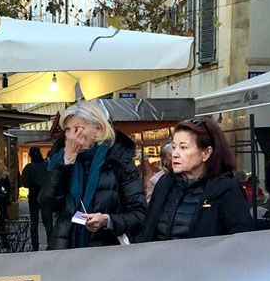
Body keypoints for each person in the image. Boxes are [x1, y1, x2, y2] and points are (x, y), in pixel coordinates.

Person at [39, 101, 146, 249]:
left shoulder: (119, 161)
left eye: (77, 129)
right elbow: (48, 203)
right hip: (65, 247)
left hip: (105, 249)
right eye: (68, 130)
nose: (71, 136)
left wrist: (107, 220)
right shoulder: (60, 159)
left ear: (98, 130)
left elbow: (139, 214)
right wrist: (66, 162)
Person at [135, 117, 253, 242]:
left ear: (206, 153)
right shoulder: (165, 184)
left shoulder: (226, 190)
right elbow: (147, 230)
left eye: (183, 147)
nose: (174, 154)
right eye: (174, 147)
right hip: (162, 260)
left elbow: (240, 242)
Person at [19, 147, 52, 251]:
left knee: (34, 221)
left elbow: (23, 183)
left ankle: (35, 244)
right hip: (46, 197)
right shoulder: (47, 166)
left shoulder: (29, 167)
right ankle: (50, 242)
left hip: (33, 196)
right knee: (48, 221)